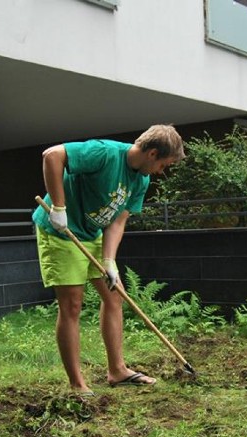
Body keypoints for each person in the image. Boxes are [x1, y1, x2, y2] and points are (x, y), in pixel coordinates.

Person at [32, 124, 185, 396]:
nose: (162, 172)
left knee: (115, 297)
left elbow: (117, 222)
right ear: (152, 153)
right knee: (72, 305)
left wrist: (109, 261)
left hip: (93, 234)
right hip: (61, 232)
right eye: (164, 165)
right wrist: (58, 207)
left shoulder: (141, 180)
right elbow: (52, 156)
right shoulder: (105, 153)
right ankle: (77, 384)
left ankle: (117, 371)